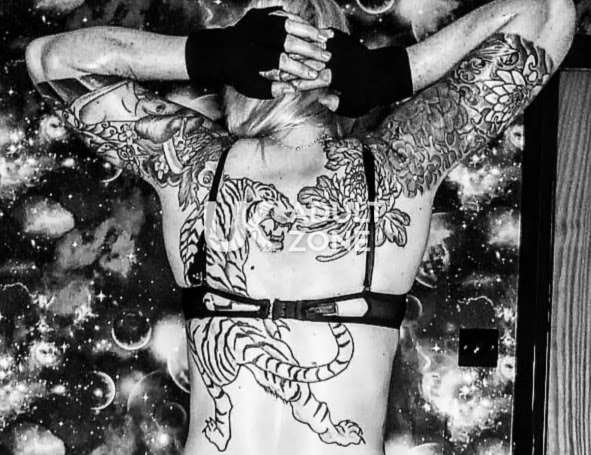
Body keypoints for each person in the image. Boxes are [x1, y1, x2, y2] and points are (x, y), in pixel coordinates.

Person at [24, 0, 574, 453]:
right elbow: (549, 13)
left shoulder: (191, 167)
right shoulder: (398, 169)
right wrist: (394, 72)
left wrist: (207, 54)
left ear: (241, 78)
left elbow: (50, 60)